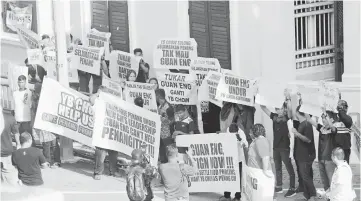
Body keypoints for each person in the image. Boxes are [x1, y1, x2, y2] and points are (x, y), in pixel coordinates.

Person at [305, 109, 348, 192]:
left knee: (332, 182)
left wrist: (326, 113)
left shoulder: (334, 129)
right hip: (321, 159)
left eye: (325, 118)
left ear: (331, 119)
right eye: (322, 118)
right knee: (325, 184)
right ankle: (328, 197)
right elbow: (309, 119)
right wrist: (304, 105)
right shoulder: (321, 129)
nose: (323, 120)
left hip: (329, 161)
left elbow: (332, 127)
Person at [260, 102, 296, 197]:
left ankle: (292, 188)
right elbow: (263, 107)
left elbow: (291, 111)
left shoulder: (287, 117)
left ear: (284, 109)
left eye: (281, 108)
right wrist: (259, 96)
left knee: (289, 168)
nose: (279, 110)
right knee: (277, 168)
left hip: (285, 148)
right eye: (277, 109)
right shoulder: (274, 117)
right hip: (276, 147)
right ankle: (279, 186)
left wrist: (288, 100)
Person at [90, 86, 120, 180]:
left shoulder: (110, 103)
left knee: (113, 152)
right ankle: (98, 172)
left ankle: (113, 171)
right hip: (100, 131)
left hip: (111, 131)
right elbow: (91, 99)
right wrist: (98, 94)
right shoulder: (96, 102)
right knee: (100, 153)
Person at [32, 84, 60, 168]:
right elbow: (34, 110)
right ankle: (47, 161)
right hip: (43, 123)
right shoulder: (35, 99)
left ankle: (56, 161)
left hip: (51, 122)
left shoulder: (49, 98)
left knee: (53, 143)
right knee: (46, 143)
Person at [292, 106, 316, 201]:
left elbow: (308, 139)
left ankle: (313, 195)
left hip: (306, 155)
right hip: (301, 154)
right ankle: (307, 195)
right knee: (305, 175)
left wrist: (297, 134)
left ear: (298, 113)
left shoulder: (307, 124)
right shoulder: (302, 124)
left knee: (305, 175)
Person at [220, 123, 247, 201]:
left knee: (238, 178)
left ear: (237, 131)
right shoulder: (228, 130)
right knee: (228, 176)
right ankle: (227, 196)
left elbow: (245, 144)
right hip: (229, 159)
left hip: (238, 159)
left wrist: (240, 140)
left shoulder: (241, 133)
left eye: (234, 133)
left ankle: (237, 197)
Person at [1, 106, 21, 186]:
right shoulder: (9, 117)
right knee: (8, 172)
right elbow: (16, 133)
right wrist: (18, 144)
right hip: (6, 150)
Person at [155, 89, 174, 163]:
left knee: (168, 152)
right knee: (161, 150)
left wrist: (164, 121)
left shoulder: (168, 107)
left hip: (167, 133)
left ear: (158, 96)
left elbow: (173, 120)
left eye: (155, 96)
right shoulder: (160, 106)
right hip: (160, 132)